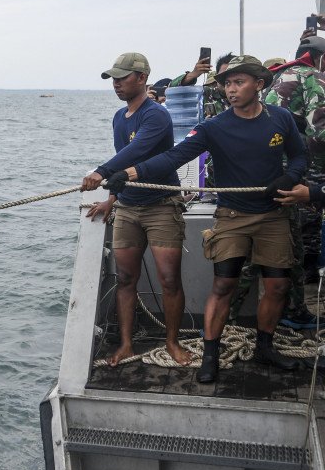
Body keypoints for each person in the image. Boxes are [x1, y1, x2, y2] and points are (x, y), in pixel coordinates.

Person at [99, 55, 307, 383]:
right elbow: (173, 155)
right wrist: (128, 173)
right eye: (226, 83)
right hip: (232, 215)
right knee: (224, 284)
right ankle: (211, 353)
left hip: (273, 215)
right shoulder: (214, 127)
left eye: (238, 82)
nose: (230, 89)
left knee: (278, 285)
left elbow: (299, 156)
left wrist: (289, 177)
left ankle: (265, 347)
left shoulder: (280, 119)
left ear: (259, 84)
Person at [80, 52, 192, 367]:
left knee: (169, 278)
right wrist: (111, 198)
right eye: (113, 78)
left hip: (160, 206)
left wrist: (100, 172)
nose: (116, 83)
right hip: (128, 207)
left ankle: (172, 342)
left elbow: (139, 149)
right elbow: (125, 163)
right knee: (126, 277)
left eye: (122, 77)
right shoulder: (119, 117)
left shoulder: (157, 115)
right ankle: (126, 344)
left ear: (141, 78)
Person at [262, 36, 325, 328]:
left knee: (280, 237)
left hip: (270, 168)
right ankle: (293, 310)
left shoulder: (279, 76)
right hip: (299, 170)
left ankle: (263, 312)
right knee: (297, 240)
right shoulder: (312, 79)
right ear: (318, 57)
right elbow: (320, 131)